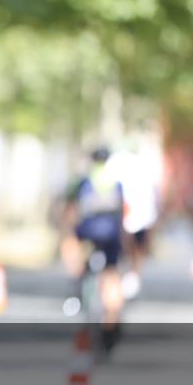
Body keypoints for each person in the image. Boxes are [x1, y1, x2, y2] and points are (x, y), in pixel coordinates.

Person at [60, 146, 126, 356]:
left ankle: (74, 291)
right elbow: (122, 215)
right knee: (112, 276)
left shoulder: (84, 181)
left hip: (88, 233)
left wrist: (68, 232)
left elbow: (70, 210)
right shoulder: (116, 184)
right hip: (111, 236)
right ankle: (112, 325)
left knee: (72, 248)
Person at [106, 146, 159, 300]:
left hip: (132, 218)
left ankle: (129, 280)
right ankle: (130, 278)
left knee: (129, 251)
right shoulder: (141, 169)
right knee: (133, 251)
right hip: (135, 218)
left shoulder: (125, 167)